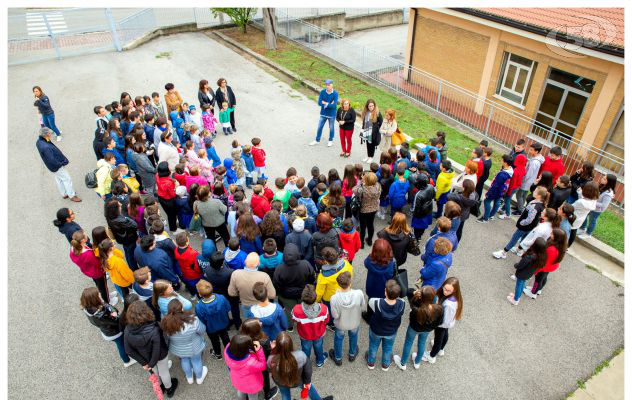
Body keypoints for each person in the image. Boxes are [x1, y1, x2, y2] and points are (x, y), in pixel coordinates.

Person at [123, 301, 178, 396]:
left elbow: (128, 350)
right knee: (164, 371)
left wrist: (144, 363)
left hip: (145, 357)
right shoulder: (154, 328)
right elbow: (157, 349)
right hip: (160, 355)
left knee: (154, 372)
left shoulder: (127, 330)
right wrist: (152, 363)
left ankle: (160, 386)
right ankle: (169, 389)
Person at [268, 332, 335, 400]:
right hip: (298, 380)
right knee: (309, 388)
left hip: (281, 382)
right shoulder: (300, 355)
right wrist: (307, 382)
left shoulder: (271, 359)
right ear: (291, 344)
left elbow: (270, 370)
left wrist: (273, 351)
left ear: (277, 346)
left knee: (285, 395)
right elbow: (308, 370)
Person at [80, 287, 135, 367]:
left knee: (121, 344)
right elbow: (116, 319)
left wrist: (111, 310)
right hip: (114, 332)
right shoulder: (101, 314)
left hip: (107, 331)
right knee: (121, 345)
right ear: (94, 299)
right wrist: (114, 313)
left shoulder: (88, 308)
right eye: (98, 295)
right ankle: (126, 361)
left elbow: (108, 306)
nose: (100, 295)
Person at [392, 286, 443, 370]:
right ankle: (417, 362)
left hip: (414, 328)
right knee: (422, 343)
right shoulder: (439, 308)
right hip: (426, 330)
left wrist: (414, 293)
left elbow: (408, 291)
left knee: (408, 343)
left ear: (421, 296)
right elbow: (439, 322)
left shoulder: (416, 306)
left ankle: (403, 363)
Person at [492, 186, 549, 259]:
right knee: (524, 238)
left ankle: (504, 252)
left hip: (524, 227)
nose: (533, 192)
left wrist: (522, 222)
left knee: (514, 239)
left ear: (539, 196)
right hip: (531, 227)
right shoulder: (541, 204)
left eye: (535, 191)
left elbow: (529, 219)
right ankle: (519, 250)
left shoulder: (535, 207)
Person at [161, 299, 208, 385]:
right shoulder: (193, 320)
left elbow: (166, 336)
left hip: (178, 349)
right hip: (194, 347)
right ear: (181, 309)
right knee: (196, 361)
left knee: (184, 360)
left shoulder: (165, 323)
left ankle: (189, 377)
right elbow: (202, 330)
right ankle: (199, 378)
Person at [273, 243, 315, 332]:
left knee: (289, 311)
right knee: (304, 308)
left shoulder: (280, 268)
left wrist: (281, 292)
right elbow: (312, 278)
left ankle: (290, 326)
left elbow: (276, 284)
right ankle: (304, 322)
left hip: (287, 295)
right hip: (303, 293)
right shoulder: (305, 264)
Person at [365, 279, 405, 371]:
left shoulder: (375, 302)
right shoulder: (402, 304)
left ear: (386, 293)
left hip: (376, 330)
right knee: (388, 348)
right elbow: (401, 300)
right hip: (391, 332)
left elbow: (370, 301)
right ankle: (385, 365)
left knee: (373, 346)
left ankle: (371, 363)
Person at [329, 271, 365, 366]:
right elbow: (363, 306)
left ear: (338, 284)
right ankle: (352, 354)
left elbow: (335, 316)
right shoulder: (359, 293)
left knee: (338, 339)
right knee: (353, 336)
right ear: (350, 282)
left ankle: (338, 358)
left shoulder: (334, 298)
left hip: (341, 324)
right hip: (354, 322)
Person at [423, 277, 463, 364]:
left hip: (442, 324)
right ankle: (441, 349)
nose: (445, 291)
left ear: (454, 291)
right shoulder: (454, 298)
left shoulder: (448, 305)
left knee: (438, 339)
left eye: (448, 290)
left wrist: (436, 325)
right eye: (444, 288)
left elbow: (445, 321)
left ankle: (431, 356)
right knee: (444, 334)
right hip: (446, 324)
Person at [35, 128, 81, 202]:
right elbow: (52, 159)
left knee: (59, 179)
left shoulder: (39, 141)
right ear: (46, 135)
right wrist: (61, 164)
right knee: (67, 179)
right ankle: (72, 195)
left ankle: (64, 193)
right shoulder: (46, 147)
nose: (51, 134)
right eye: (49, 133)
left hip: (51, 167)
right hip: (57, 166)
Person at [292, 285, 330, 367]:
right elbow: (326, 320)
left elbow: (294, 320)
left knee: (306, 349)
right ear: (315, 297)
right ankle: (320, 361)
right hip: (319, 333)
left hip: (304, 335)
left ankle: (306, 364)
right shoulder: (324, 309)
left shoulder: (296, 309)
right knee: (319, 346)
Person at [525, 228, 568, 298]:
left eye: (552, 234)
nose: (550, 234)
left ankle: (533, 293)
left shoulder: (551, 249)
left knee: (538, 280)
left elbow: (545, 262)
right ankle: (538, 289)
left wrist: (537, 270)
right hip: (551, 266)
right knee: (543, 278)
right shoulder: (561, 246)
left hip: (546, 266)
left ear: (556, 237)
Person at [195, 279, 231, 359]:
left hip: (211, 328)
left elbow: (201, 320)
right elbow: (228, 308)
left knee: (214, 341)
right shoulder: (221, 298)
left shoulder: (199, 307)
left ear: (200, 294)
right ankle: (229, 352)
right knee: (225, 337)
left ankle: (218, 354)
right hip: (223, 323)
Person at [70, 231, 110, 303]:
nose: (86, 236)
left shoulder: (73, 249)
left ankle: (106, 296)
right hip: (97, 272)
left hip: (88, 271)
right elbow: (98, 263)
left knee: (99, 285)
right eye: (85, 236)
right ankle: (107, 300)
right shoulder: (87, 254)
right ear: (83, 240)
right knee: (103, 287)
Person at [507, 237, 548, 305]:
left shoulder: (529, 257)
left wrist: (516, 265)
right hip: (529, 274)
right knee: (522, 284)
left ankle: (515, 300)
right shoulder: (542, 257)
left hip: (522, 274)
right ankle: (517, 297)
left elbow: (520, 265)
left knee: (518, 286)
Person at [224, 334, 267, 400]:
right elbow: (263, 366)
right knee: (253, 396)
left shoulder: (227, 349)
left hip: (237, 379)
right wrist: (259, 350)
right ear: (245, 349)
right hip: (251, 385)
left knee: (240, 391)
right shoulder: (250, 363)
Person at [478, 154, 513, 222]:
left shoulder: (502, 174)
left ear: (505, 163)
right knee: (497, 202)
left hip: (496, 190)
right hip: (502, 190)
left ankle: (485, 218)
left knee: (486, 201)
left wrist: (488, 193)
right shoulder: (510, 170)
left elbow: (496, 185)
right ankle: (491, 215)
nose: (501, 161)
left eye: (502, 160)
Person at [104, 199, 138, 270]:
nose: (121, 205)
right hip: (129, 239)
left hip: (122, 238)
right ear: (115, 209)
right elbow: (135, 225)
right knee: (131, 254)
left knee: (128, 252)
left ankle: (131, 266)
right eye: (119, 205)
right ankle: (134, 269)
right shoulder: (121, 220)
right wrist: (126, 218)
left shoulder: (109, 216)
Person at [579, 174, 616, 238]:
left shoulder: (608, 194)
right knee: (584, 216)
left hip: (597, 210)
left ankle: (588, 234)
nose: (602, 179)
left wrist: (592, 201)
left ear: (609, 182)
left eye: (604, 179)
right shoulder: (602, 186)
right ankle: (582, 228)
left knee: (592, 221)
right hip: (591, 206)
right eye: (603, 177)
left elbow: (603, 205)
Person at [353, 172, 381, 247]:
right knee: (370, 224)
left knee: (363, 227)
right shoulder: (378, 186)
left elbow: (354, 190)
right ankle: (369, 240)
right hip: (374, 208)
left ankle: (361, 243)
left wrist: (361, 183)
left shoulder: (362, 189)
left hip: (364, 210)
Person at [515, 143, 544, 214]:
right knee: (523, 195)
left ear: (536, 151)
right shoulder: (536, 159)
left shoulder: (535, 162)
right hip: (529, 181)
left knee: (519, 195)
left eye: (531, 150)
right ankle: (519, 206)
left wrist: (522, 180)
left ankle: (520, 210)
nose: (529, 151)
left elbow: (528, 174)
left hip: (526, 181)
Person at [568, 181, 599, 247]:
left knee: (568, 231)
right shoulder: (594, 201)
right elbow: (585, 200)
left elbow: (571, 207)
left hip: (573, 218)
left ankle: (565, 244)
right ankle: (569, 245)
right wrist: (580, 193)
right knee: (574, 231)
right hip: (581, 219)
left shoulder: (580, 202)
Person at [310, 79, 338, 147]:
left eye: (329, 85)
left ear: (332, 85)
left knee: (331, 127)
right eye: (326, 85)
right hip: (323, 113)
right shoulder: (322, 92)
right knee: (319, 127)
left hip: (331, 114)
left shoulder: (335, 93)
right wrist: (329, 104)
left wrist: (325, 103)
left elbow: (334, 106)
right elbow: (319, 103)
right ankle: (317, 140)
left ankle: (330, 140)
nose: (327, 86)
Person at [174, 232, 203, 298]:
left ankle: (192, 295)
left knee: (189, 285)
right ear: (187, 242)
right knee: (197, 286)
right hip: (193, 274)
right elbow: (196, 265)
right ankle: (199, 296)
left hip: (184, 272)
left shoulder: (176, 249)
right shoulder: (192, 253)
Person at [501, 153, 526, 218]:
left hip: (512, 187)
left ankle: (507, 214)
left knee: (507, 199)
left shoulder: (515, 171)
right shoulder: (523, 168)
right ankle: (503, 209)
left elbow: (512, 183)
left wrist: (509, 191)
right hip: (517, 187)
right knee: (508, 199)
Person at [411, 173, 435, 240]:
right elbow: (433, 196)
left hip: (419, 215)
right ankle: (420, 236)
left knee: (417, 228)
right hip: (428, 210)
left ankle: (416, 238)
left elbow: (415, 208)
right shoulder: (431, 186)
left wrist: (413, 213)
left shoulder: (418, 195)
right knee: (423, 227)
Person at [360, 99, 383, 164]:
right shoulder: (366, 113)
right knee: (368, 144)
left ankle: (371, 157)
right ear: (367, 106)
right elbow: (364, 122)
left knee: (372, 145)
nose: (371, 107)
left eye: (372, 106)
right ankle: (368, 156)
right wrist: (362, 129)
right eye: (370, 106)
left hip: (374, 133)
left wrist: (376, 129)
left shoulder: (377, 113)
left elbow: (381, 122)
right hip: (367, 131)